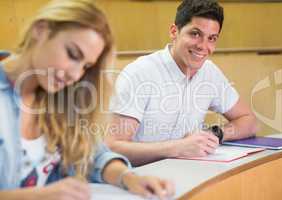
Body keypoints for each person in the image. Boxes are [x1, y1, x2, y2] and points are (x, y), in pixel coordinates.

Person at [0, 0, 174, 199]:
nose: (75, 75)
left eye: (85, 66)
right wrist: (37, 196)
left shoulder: (58, 96)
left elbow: (93, 155)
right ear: (40, 30)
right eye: (73, 54)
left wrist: (128, 178)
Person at [106, 0, 259, 166]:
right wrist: (178, 148)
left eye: (212, 38)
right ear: (174, 31)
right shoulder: (139, 73)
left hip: (190, 174)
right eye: (195, 34)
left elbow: (248, 121)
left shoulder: (210, 72)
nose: (203, 46)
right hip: (142, 179)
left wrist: (215, 134)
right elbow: (113, 147)